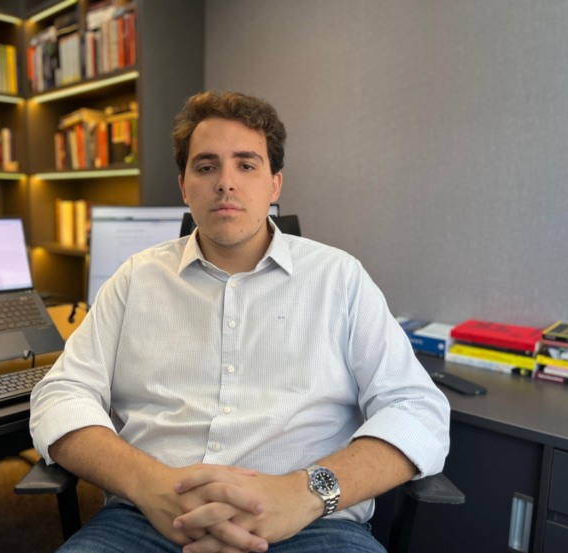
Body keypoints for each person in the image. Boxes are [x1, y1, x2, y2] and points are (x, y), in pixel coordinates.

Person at [30, 90, 451, 553]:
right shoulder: (135, 279)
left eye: (246, 165)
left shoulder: (340, 279)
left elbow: (417, 409)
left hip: (312, 527)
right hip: (145, 521)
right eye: (206, 166)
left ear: (275, 184)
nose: (225, 183)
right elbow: (61, 394)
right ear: (184, 186)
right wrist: (149, 485)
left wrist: (305, 494)